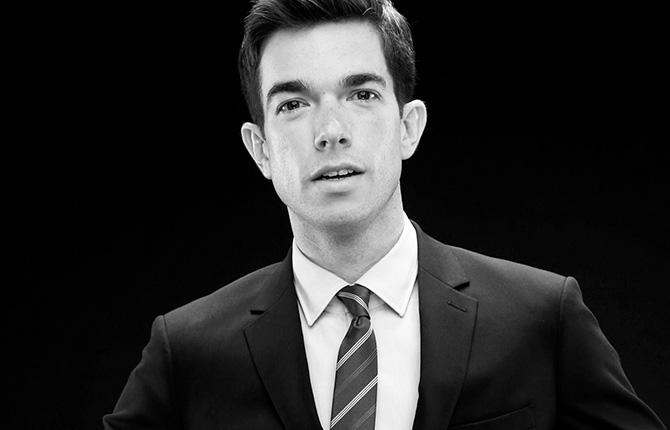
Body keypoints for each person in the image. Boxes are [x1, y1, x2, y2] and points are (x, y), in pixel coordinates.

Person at [103, 0, 667, 429]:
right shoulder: (188, 350)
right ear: (260, 149)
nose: (331, 131)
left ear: (408, 127)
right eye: (293, 104)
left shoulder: (541, 318)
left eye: (362, 94)